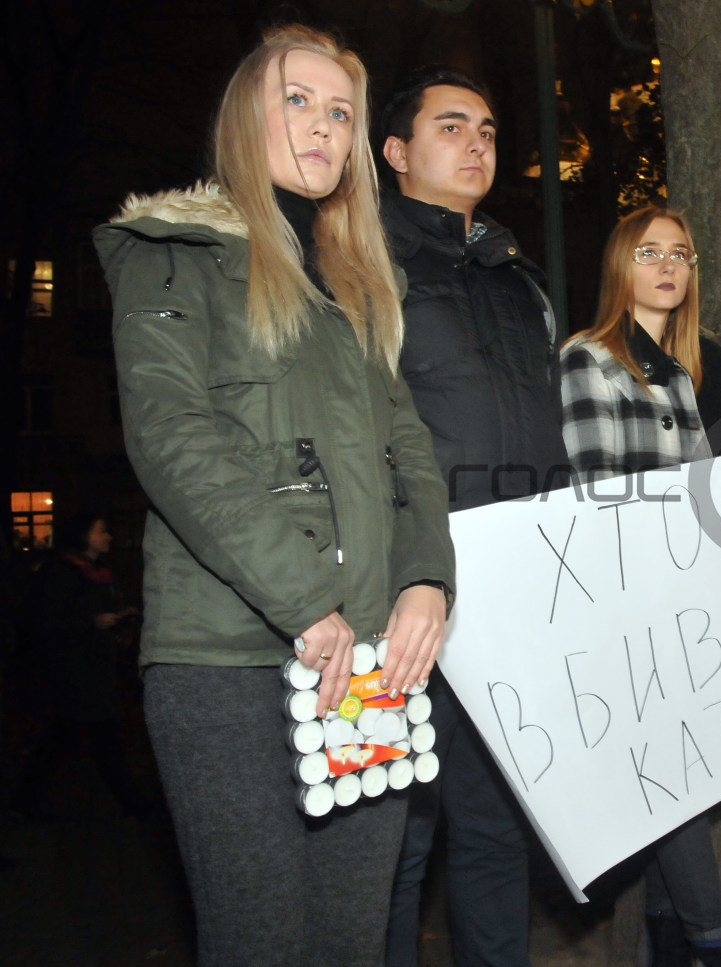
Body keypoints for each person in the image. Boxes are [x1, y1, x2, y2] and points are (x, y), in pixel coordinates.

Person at [94, 26, 455, 966]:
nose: (323, 125)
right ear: (244, 115)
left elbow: (407, 448)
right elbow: (172, 437)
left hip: (367, 666)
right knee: (262, 942)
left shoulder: (358, 282)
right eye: (298, 100)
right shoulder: (171, 251)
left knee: (350, 942)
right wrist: (306, 598)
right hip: (225, 659)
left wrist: (427, 579)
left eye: (340, 110)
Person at [559, 206, 721, 967]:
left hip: (686, 603)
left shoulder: (679, 374)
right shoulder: (589, 356)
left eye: (680, 255)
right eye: (649, 252)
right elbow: (597, 492)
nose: (668, 266)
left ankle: (683, 948)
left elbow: (709, 492)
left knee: (684, 783)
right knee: (672, 782)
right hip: (628, 603)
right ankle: (715, 944)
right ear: (619, 265)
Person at [379, 67, 569, 967]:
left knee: (496, 828)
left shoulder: (515, 274)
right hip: (410, 591)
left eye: (488, 128)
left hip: (518, 588)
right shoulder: (362, 264)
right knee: (399, 838)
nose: (478, 142)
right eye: (450, 126)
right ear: (395, 152)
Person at [18, 512, 145, 818]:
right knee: (88, 735)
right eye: (102, 531)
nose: (109, 538)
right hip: (73, 669)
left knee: (76, 735)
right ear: (85, 536)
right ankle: (131, 803)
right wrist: (91, 623)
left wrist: (120, 617)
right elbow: (46, 621)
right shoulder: (62, 572)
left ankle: (23, 804)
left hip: (93, 668)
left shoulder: (97, 572)